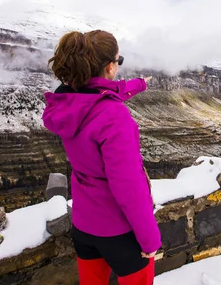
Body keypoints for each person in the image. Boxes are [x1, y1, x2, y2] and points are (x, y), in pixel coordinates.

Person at [42, 30, 161, 285]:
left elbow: (104, 92)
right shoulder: (113, 117)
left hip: (84, 226)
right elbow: (128, 186)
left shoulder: (66, 101)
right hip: (120, 232)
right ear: (110, 66)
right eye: (119, 61)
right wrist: (150, 240)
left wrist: (141, 83)